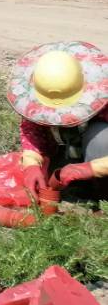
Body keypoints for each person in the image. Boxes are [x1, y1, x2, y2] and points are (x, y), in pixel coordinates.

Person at [9, 41, 108, 199]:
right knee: (46, 177)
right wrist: (31, 164)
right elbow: (33, 132)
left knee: (101, 139)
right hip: (69, 152)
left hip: (101, 158)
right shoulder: (37, 103)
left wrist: (93, 168)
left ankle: (101, 192)